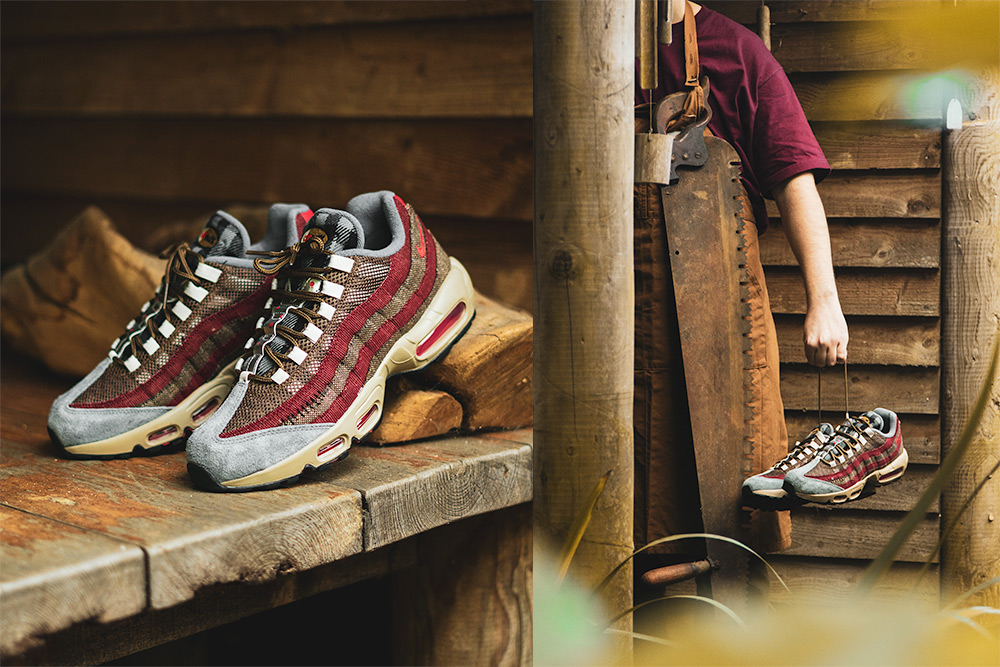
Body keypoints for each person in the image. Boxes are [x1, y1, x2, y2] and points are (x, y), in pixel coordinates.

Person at [633, 0, 848, 552]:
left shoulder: (739, 54)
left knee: (737, 517)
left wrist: (825, 302)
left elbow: (795, 185)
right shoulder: (590, 62)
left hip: (724, 337)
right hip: (622, 337)